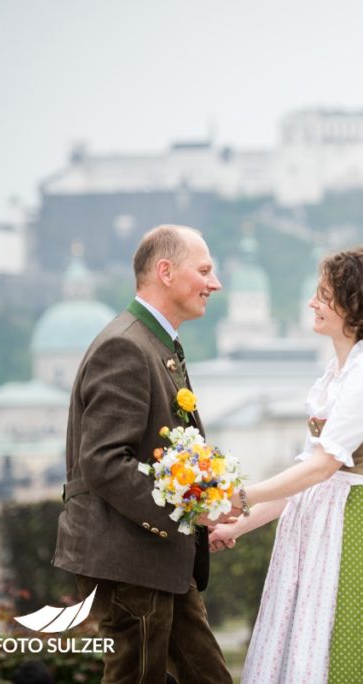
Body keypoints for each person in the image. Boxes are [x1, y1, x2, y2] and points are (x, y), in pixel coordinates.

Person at [209, 246, 363, 683]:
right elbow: (306, 476)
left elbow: (323, 467)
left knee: (342, 653)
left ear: (355, 305)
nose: (312, 303)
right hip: (316, 526)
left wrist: (241, 497)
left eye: (324, 295)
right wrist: (237, 525)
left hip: (355, 527)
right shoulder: (337, 373)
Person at [53, 224, 234, 683]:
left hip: (157, 557)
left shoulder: (154, 343)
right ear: (166, 271)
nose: (215, 284)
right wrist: (185, 515)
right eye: (205, 271)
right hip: (131, 558)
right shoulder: (126, 345)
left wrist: (201, 508)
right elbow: (104, 461)